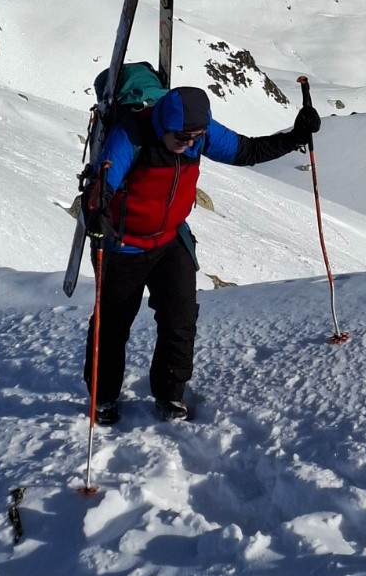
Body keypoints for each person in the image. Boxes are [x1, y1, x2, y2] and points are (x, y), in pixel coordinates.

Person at [84, 84, 321, 421]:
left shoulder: (199, 133)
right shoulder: (131, 135)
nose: (191, 145)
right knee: (113, 323)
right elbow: (102, 183)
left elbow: (246, 151)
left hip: (169, 240)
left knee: (180, 320)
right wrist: (98, 211)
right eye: (183, 138)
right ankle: (103, 397)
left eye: (196, 137)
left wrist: (294, 136)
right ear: (164, 126)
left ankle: (171, 395)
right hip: (126, 244)